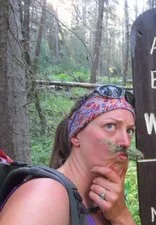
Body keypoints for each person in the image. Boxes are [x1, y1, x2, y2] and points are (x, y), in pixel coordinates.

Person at [0, 84, 137, 225]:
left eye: (129, 130)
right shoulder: (45, 195)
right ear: (76, 136)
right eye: (110, 126)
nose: (125, 142)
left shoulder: (102, 206)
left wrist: (121, 216)